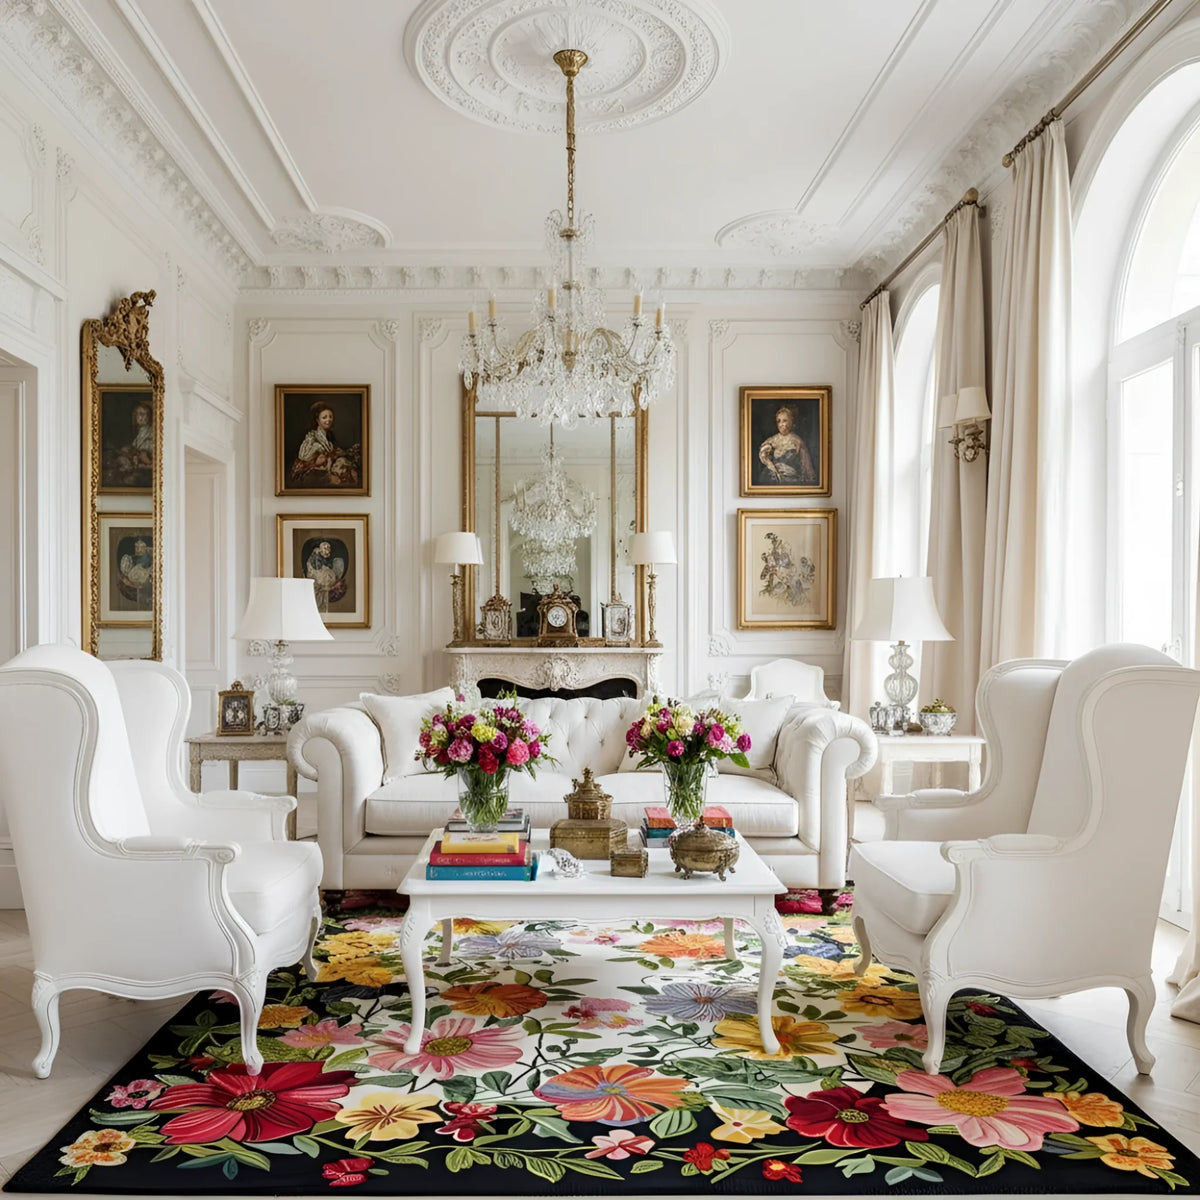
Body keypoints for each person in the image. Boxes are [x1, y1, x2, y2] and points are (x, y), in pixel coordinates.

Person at [290, 402, 360, 489]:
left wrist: (337, 453)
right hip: (313, 472)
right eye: (324, 417)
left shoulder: (329, 436)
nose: (328, 420)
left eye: (330, 417)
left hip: (327, 469)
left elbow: (332, 453)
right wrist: (316, 459)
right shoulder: (311, 436)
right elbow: (303, 457)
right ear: (317, 420)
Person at [757, 404, 816, 486]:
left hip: (791, 481)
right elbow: (764, 457)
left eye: (785, 420)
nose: (782, 424)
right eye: (779, 421)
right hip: (772, 479)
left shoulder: (797, 441)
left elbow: (806, 468)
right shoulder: (772, 440)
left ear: (791, 421)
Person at [305, 539, 346, 610]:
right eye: (325, 548)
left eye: (328, 548)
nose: (327, 550)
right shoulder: (315, 560)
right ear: (320, 550)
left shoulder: (330, 564)